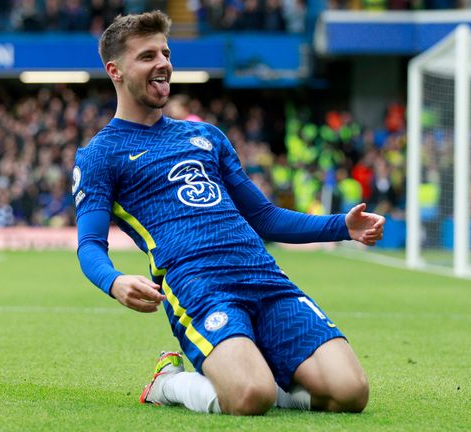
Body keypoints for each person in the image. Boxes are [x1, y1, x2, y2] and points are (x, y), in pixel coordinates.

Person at [72, 11, 385, 416]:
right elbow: (89, 245)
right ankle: (168, 383)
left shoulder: (205, 136)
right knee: (249, 398)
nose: (163, 63)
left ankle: (257, 372)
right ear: (115, 70)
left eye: (165, 53)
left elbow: (265, 217)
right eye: (147, 56)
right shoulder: (100, 154)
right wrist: (114, 282)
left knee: (350, 393)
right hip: (199, 286)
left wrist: (340, 226)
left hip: (264, 276)